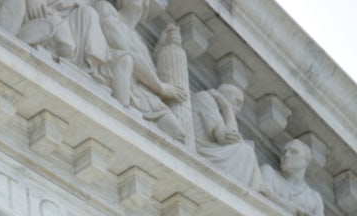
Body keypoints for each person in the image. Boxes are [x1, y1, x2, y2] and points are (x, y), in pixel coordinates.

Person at [96, 0, 187, 141]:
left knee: (177, 133)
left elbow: (148, 68)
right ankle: (122, 119)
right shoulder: (106, 9)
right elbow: (125, 48)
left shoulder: (140, 40)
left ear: (146, 5)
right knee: (126, 59)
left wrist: (160, 48)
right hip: (115, 74)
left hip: (142, 94)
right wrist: (161, 87)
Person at [192, 84, 262, 189]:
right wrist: (227, 107)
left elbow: (231, 138)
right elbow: (227, 138)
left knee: (247, 149)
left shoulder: (216, 111)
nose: (239, 109)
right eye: (237, 102)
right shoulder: (205, 98)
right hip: (202, 150)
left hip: (210, 150)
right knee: (246, 151)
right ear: (225, 96)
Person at [260, 139, 327, 216]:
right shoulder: (269, 172)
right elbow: (262, 192)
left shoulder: (314, 198)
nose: (286, 155)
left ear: (306, 160)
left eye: (293, 152)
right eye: (284, 152)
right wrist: (288, 206)